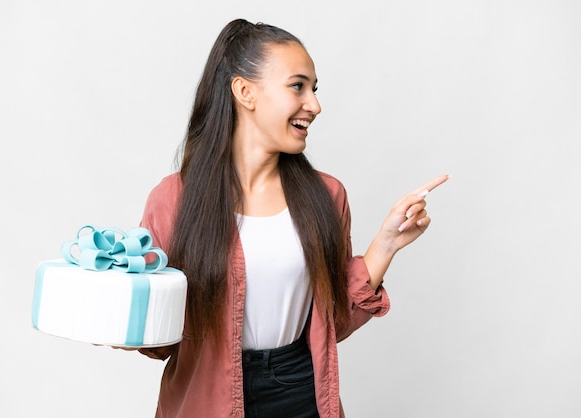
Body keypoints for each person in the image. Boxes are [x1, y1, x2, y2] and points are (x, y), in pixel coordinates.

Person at [137, 18, 449, 418]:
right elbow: (157, 339)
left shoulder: (326, 196)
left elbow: (329, 323)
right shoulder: (174, 200)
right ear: (245, 92)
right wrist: (117, 317)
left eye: (314, 89)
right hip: (206, 396)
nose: (314, 105)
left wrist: (387, 242)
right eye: (297, 86)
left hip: (300, 391)